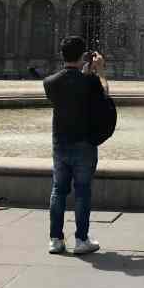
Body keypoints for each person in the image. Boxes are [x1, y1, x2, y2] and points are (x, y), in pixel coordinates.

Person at [43, 35, 109, 255]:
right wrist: (99, 72)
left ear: (62, 55)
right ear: (83, 56)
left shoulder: (50, 82)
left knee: (58, 191)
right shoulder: (89, 82)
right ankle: (81, 240)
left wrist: (85, 72)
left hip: (60, 145)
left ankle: (55, 239)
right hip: (84, 145)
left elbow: (71, 91)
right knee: (82, 192)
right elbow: (105, 97)